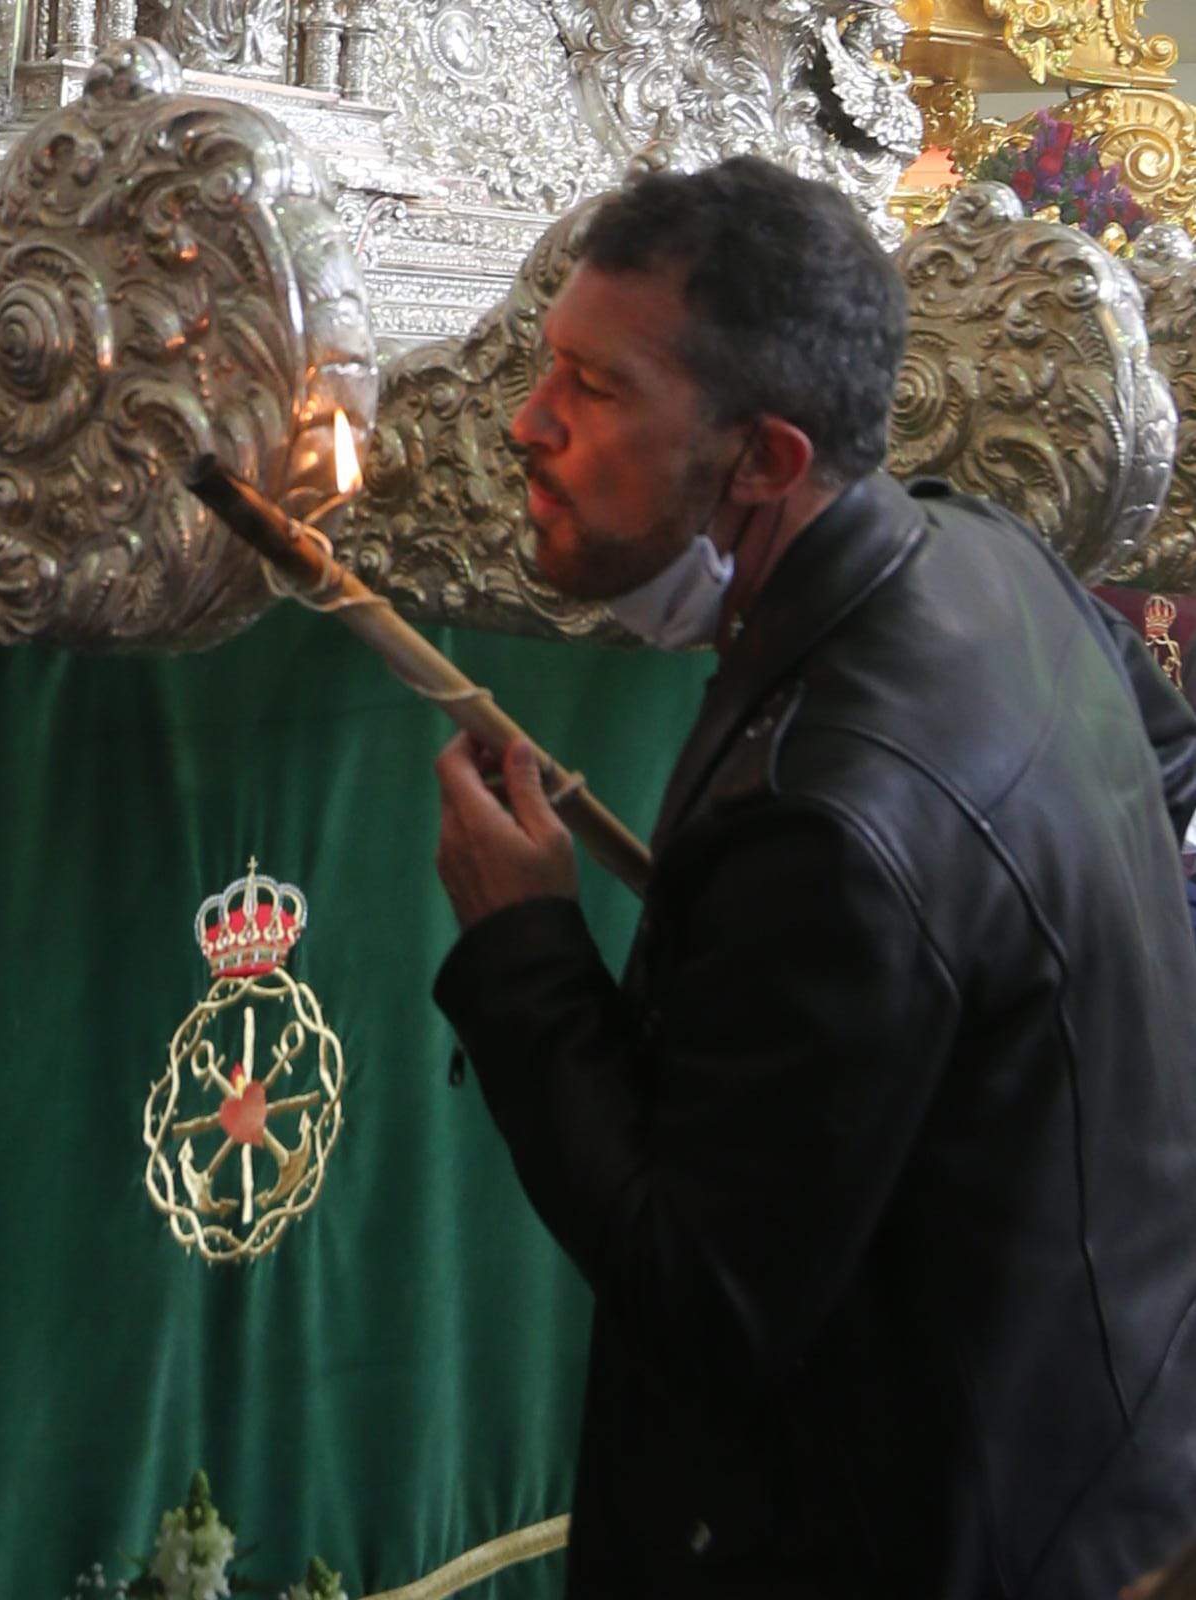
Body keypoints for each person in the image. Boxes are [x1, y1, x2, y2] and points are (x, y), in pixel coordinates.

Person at [431, 157, 1196, 1599]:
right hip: (1111, 1436)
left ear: (767, 460)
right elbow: (1174, 776)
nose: (528, 427)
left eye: (595, 392)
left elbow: (703, 1297)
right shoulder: (989, 558)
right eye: (548, 369)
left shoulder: (834, 824)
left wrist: (524, 945)